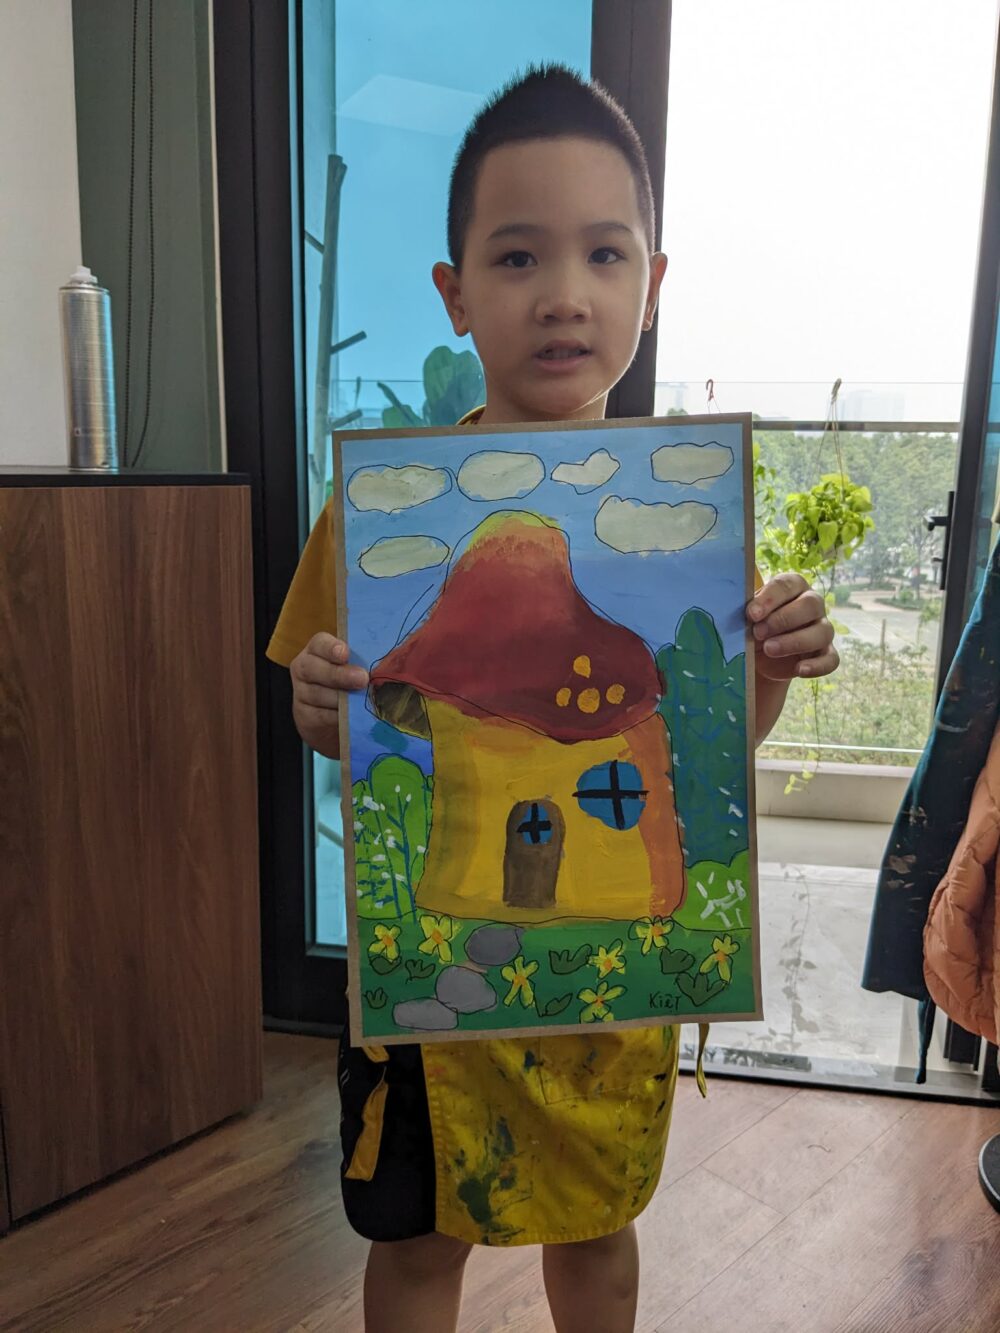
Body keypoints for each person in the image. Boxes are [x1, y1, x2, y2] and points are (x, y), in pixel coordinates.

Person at [266, 65, 838, 1333]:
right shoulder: (379, 508)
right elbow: (346, 732)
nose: (564, 293)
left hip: (601, 1011)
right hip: (427, 1008)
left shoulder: (695, 524)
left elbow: (706, 754)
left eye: (604, 253)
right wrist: (317, 706)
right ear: (455, 292)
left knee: (598, 1229)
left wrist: (764, 673)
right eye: (518, 256)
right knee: (417, 1241)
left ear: (652, 283)